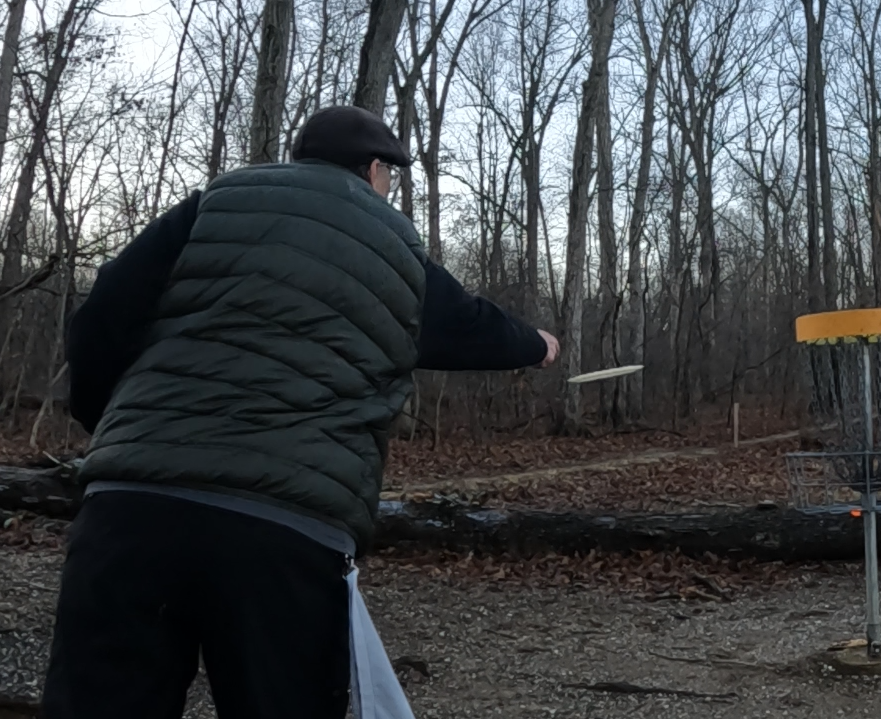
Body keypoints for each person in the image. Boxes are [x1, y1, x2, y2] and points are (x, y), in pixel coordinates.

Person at [42, 105, 559, 719]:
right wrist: (536, 343)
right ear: (374, 170)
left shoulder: (213, 204)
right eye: (387, 177)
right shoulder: (390, 240)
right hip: (284, 531)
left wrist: (115, 430)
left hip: (129, 512)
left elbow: (104, 310)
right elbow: (467, 325)